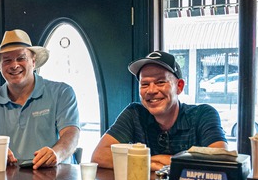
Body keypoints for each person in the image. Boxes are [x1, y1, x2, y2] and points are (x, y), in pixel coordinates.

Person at [91, 50, 228, 171]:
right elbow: (99, 156)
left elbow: (221, 159)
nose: (151, 90)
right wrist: (148, 162)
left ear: (179, 87)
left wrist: (166, 161)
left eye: (160, 82)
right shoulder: (134, 114)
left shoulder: (202, 115)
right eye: (144, 84)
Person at [0, 29, 81, 169]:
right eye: (7, 60)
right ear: (0, 66)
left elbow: (70, 134)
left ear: (33, 62)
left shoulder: (62, 92)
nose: (14, 65)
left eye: (21, 58)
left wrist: (56, 153)